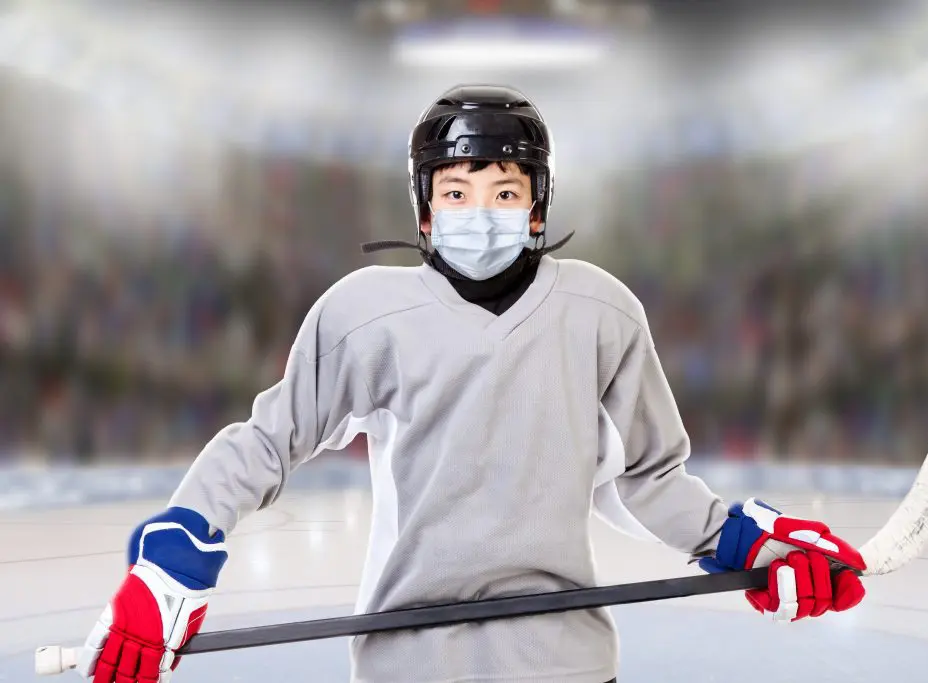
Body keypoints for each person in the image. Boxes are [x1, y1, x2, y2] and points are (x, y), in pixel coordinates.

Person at [77, 85, 866, 683]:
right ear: (424, 210)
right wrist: (177, 552)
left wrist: (743, 539)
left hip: (566, 662)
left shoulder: (601, 311)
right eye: (456, 193)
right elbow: (266, 442)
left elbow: (644, 478)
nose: (478, 212)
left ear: (535, 207)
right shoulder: (363, 313)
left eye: (504, 192)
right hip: (411, 664)